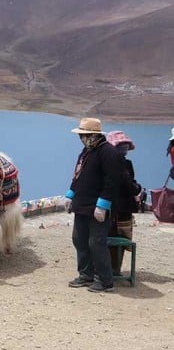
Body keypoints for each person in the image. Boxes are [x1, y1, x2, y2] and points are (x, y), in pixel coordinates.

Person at [64, 117, 126, 293]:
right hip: (82, 206)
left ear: (93, 135)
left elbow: (112, 181)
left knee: (96, 242)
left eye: (84, 135)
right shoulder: (86, 152)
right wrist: (70, 194)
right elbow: (78, 176)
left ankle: (104, 280)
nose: (81, 138)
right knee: (79, 239)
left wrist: (103, 204)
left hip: (97, 208)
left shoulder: (108, 153)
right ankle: (86, 274)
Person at [105, 130, 143, 276]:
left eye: (126, 145)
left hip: (111, 207)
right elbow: (129, 185)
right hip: (120, 208)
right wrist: (137, 188)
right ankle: (113, 269)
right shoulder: (123, 164)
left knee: (113, 238)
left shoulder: (112, 163)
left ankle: (111, 268)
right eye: (122, 145)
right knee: (118, 238)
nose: (125, 149)